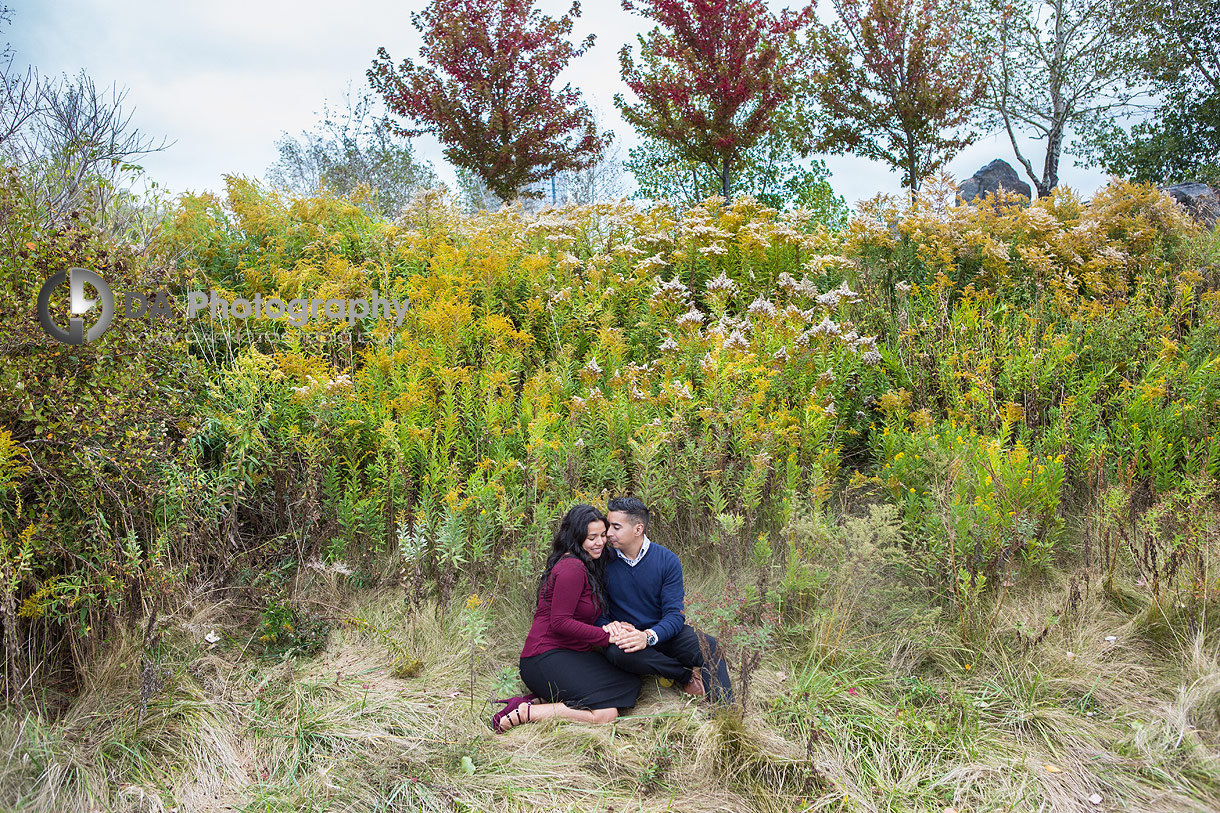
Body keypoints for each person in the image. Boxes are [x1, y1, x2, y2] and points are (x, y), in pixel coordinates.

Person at [494, 504, 642, 732]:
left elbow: (584, 614)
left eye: (603, 535)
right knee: (607, 713)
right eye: (592, 537)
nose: (600, 542)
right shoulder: (572, 567)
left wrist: (614, 625)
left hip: (570, 653)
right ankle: (527, 712)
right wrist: (606, 637)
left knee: (629, 684)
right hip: (544, 657)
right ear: (577, 536)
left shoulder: (586, 564)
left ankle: (541, 700)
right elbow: (560, 622)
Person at [598, 496, 734, 704]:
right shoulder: (602, 562)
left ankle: (724, 714)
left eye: (616, 527)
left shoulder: (667, 560)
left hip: (662, 634)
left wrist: (648, 636)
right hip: (626, 640)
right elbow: (595, 612)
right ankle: (683, 674)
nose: (608, 533)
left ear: (638, 529)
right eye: (609, 526)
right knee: (617, 653)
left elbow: (674, 615)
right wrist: (611, 627)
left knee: (711, 646)